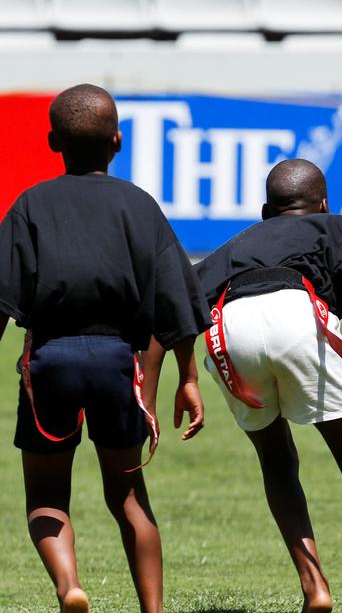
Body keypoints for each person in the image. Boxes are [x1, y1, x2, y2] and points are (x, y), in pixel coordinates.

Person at [154, 159, 342, 612]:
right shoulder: (336, 225)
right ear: (323, 203)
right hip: (297, 312)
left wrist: (180, 382)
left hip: (229, 326)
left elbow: (176, 312)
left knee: (277, 462)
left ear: (266, 211)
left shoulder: (235, 244)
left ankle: (314, 587)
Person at [0, 84, 210, 613]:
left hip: (50, 364)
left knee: (47, 497)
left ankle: (70, 585)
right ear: (117, 140)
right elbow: (176, 301)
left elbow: (1, 300)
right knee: (130, 500)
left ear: (53, 141)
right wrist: (188, 376)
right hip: (121, 365)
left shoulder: (30, 205)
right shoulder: (139, 206)